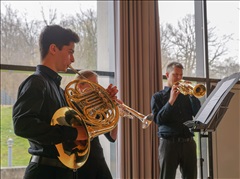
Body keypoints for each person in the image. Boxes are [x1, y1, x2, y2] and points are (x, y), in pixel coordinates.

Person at [12, 25, 119, 179]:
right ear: (54, 49)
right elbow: (22, 125)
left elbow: (80, 120)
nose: (73, 59)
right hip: (45, 172)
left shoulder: (59, 89)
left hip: (63, 172)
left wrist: (103, 101)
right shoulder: (36, 82)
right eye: (70, 52)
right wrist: (74, 133)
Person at [150, 62, 201, 179]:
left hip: (188, 142)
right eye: (175, 75)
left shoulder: (187, 95)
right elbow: (159, 120)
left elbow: (198, 114)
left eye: (181, 75)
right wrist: (171, 100)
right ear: (167, 75)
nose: (179, 78)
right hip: (169, 144)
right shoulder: (158, 97)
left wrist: (193, 96)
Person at [74, 70, 118, 179]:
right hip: (80, 162)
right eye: (94, 84)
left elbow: (112, 137)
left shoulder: (96, 108)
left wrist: (115, 112)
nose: (98, 88)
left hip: (97, 158)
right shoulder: (70, 105)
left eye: (98, 84)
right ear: (80, 86)